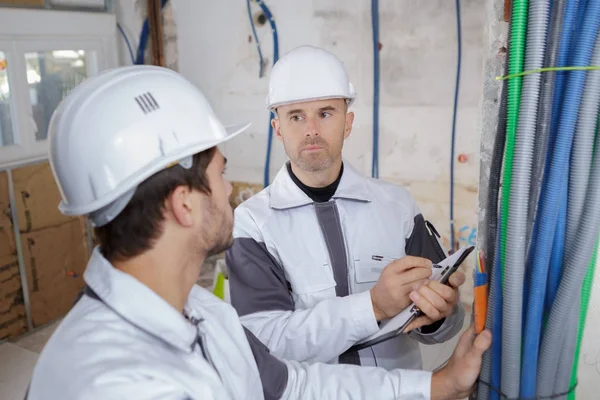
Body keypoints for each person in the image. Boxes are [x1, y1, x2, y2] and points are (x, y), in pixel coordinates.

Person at [26, 65, 490, 400]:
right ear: (184, 204)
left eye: (326, 113)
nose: (231, 190)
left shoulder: (206, 314)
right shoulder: (105, 380)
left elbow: (295, 384)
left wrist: (439, 384)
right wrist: (371, 307)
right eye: (219, 174)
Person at [226, 44, 466, 370]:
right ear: (278, 128)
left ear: (347, 123)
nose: (311, 129)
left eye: (325, 113)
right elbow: (263, 340)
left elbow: (443, 325)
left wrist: (440, 316)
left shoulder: (397, 206)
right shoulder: (253, 223)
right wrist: (374, 307)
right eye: (296, 116)